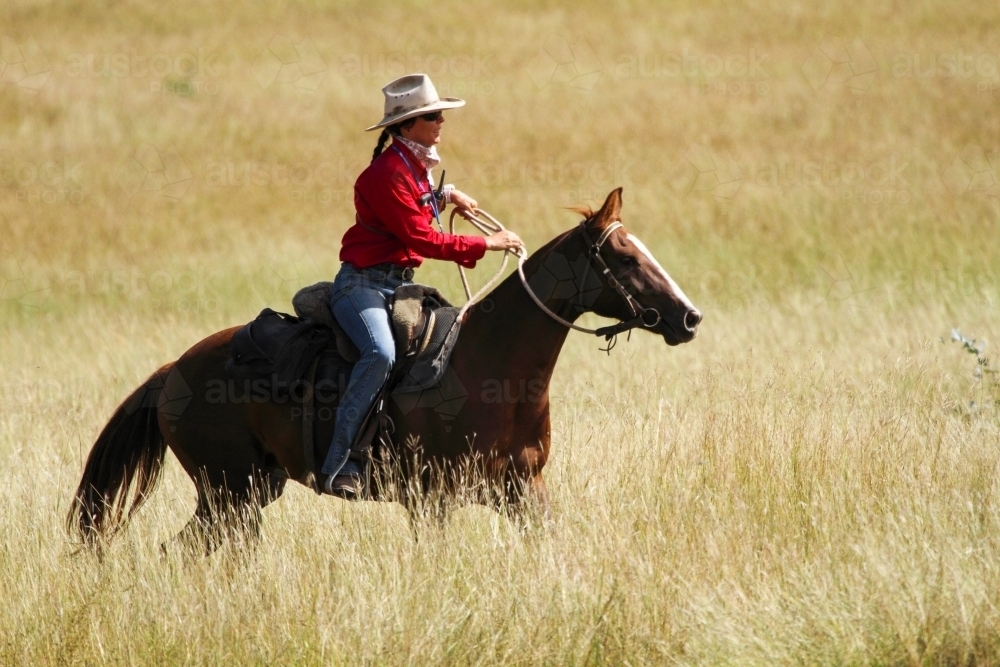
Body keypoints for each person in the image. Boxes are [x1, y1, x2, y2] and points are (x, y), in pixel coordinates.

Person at [321, 73, 523, 498]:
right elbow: (420, 238)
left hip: (397, 286)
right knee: (380, 354)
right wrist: (486, 243)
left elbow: (418, 200)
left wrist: (447, 195)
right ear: (405, 125)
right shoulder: (387, 174)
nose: (441, 122)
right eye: (432, 116)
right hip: (362, 287)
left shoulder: (413, 166)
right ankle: (341, 462)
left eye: (440, 114)